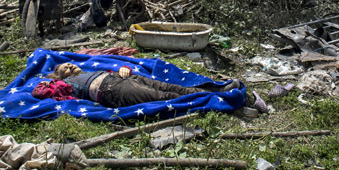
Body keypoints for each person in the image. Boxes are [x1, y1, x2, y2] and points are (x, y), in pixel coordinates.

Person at [32, 62, 242, 108]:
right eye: (65, 69)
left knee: (174, 89)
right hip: (113, 91)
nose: (70, 66)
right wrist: (54, 83)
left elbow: (116, 70)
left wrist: (125, 69)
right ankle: (216, 100)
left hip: (124, 80)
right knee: (164, 98)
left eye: (70, 64)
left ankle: (218, 89)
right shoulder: (63, 85)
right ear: (59, 77)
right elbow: (42, 92)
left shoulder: (89, 70)